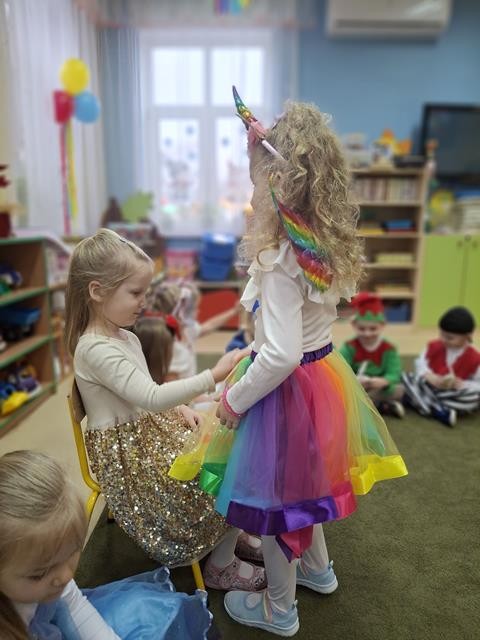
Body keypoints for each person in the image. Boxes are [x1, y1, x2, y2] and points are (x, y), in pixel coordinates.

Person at [192, 88, 408, 636]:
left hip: (284, 388)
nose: (252, 185)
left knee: (274, 503)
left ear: (277, 181)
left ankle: (279, 609)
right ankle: (318, 570)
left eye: (257, 173)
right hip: (321, 377)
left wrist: (234, 399)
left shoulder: (281, 257)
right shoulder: (320, 242)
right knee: (306, 486)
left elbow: (281, 353)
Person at [65, 228, 265, 591]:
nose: (144, 301)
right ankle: (221, 564)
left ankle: (229, 535)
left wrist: (180, 408)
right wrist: (213, 375)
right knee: (223, 467)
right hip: (133, 462)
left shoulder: (125, 336)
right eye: (135, 293)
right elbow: (151, 396)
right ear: (97, 291)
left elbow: (146, 395)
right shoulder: (94, 349)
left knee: (226, 447)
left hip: (149, 435)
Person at [0, 450, 214, 640]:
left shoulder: (45, 575)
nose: (65, 577)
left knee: (148, 611)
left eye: (72, 552)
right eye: (39, 574)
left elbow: (74, 606)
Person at [147, 279, 241, 380]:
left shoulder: (187, 330)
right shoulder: (172, 346)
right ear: (181, 313)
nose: (198, 311)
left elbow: (209, 325)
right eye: (194, 308)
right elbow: (172, 385)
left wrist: (234, 311)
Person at [402, 306, 480, 427]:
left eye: (450, 337)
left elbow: (477, 385)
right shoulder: (433, 346)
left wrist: (462, 384)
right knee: (406, 377)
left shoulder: (475, 358)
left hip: (453, 393)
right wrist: (429, 375)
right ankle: (438, 410)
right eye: (441, 334)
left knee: (473, 398)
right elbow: (420, 363)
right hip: (430, 387)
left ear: (468, 336)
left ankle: (421, 402)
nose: (443, 339)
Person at [339, 292, 405, 418]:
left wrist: (384, 381)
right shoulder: (349, 346)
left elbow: (394, 372)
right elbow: (342, 368)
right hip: (356, 385)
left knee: (398, 389)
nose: (367, 334)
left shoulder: (389, 348)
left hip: (379, 387)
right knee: (342, 390)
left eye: (373, 329)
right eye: (362, 329)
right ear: (354, 325)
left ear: (382, 326)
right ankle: (381, 406)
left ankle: (369, 405)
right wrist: (354, 380)